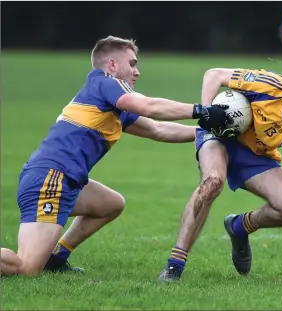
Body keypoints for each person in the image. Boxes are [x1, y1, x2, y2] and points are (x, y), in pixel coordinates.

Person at [0, 36, 237, 277]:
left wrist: (212, 133)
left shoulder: (112, 105)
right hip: (51, 180)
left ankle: (57, 258)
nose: (137, 72)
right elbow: (148, 106)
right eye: (132, 64)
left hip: (61, 178)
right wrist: (202, 111)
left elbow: (158, 129)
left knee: (110, 204)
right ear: (112, 65)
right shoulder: (105, 83)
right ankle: (43, 260)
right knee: (26, 268)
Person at [159, 67, 282, 285]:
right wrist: (207, 113)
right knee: (212, 182)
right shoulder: (270, 86)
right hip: (219, 135)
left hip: (255, 153)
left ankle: (239, 227)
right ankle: (175, 265)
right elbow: (214, 74)